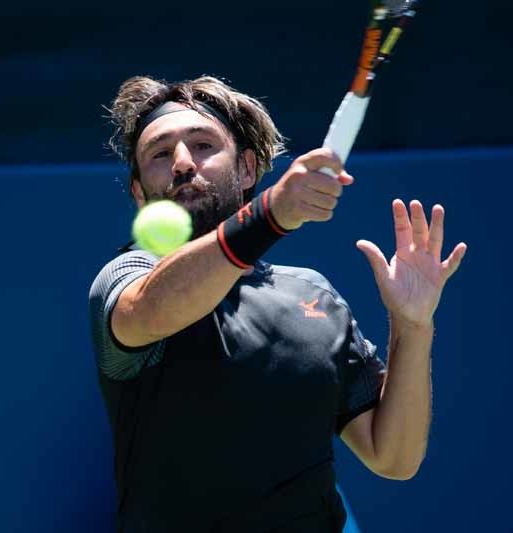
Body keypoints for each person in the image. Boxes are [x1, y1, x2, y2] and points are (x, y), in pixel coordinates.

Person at [89, 75, 467, 532]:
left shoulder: (313, 295)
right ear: (138, 192)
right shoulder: (128, 279)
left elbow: (393, 457)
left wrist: (413, 325)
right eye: (160, 154)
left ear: (247, 169)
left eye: (203, 145)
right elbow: (152, 310)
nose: (183, 163)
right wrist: (271, 214)